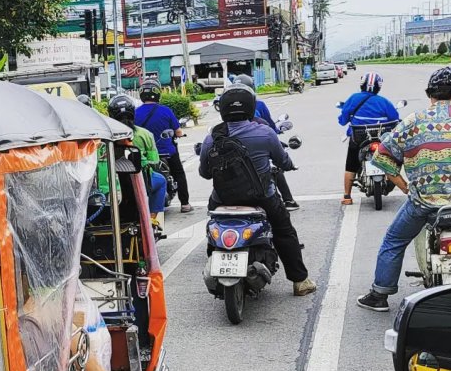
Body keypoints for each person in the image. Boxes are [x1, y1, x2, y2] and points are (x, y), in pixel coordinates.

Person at [356, 67, 451, 312]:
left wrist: (404, 186)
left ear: (429, 94)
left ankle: (379, 294)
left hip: (425, 202)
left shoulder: (413, 121)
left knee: (394, 240)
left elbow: (381, 156)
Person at [198, 85, 317, 297]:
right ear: (251, 107)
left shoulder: (212, 137)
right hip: (263, 198)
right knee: (284, 232)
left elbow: (205, 173)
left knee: (212, 230)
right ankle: (300, 281)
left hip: (223, 200)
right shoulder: (265, 133)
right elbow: (282, 161)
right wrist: (289, 165)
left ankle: (216, 265)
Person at [233, 74, 300, 210]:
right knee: (275, 167)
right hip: (260, 145)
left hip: (230, 189)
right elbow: (270, 127)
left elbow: (204, 171)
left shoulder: (224, 124)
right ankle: (288, 200)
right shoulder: (260, 110)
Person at [107, 93, 168, 231]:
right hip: (140, 180)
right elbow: (154, 161)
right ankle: (153, 219)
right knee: (161, 181)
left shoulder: (103, 136)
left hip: (110, 185)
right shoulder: (145, 134)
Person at [338, 73, 400, 205]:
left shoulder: (353, 98)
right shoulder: (383, 102)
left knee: (351, 165)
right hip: (381, 139)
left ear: (362, 85)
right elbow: (395, 119)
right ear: (378, 87)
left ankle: (347, 196)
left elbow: (343, 120)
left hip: (358, 138)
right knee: (394, 158)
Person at [134, 79, 192, 213]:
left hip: (144, 155)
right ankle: (185, 204)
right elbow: (178, 132)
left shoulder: (135, 113)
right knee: (179, 174)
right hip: (167, 152)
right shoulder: (166, 111)